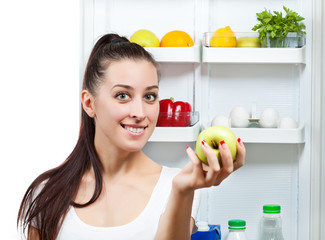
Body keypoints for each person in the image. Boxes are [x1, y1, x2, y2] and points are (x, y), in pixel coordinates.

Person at [17, 33, 246, 240]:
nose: (140, 113)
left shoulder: (175, 186)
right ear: (89, 103)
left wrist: (182, 191)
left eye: (150, 96)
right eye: (123, 95)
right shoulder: (48, 192)